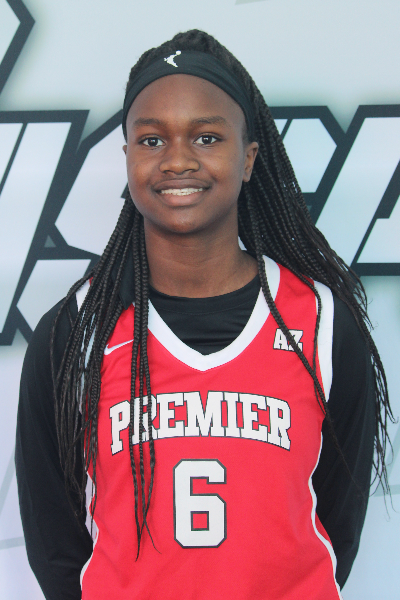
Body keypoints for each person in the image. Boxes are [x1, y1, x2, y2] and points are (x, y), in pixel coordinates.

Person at [16, 29, 393, 600]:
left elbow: (337, 524)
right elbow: (55, 544)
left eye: (207, 137)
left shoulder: (321, 322)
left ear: (248, 158)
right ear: (127, 158)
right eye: (151, 140)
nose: (178, 160)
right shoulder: (75, 333)